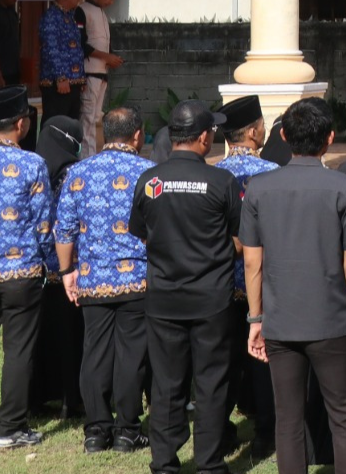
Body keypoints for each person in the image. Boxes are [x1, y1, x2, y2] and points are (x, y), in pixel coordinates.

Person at [241, 97, 346, 474]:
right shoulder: (343, 188)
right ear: (330, 138)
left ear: (283, 135)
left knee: (288, 419)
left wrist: (255, 317)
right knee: (345, 418)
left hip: (281, 319)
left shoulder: (259, 188)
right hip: (331, 319)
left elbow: (253, 259)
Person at [130, 100, 241, 474]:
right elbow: (239, 238)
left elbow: (143, 233)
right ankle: (209, 463)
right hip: (211, 299)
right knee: (210, 382)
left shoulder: (150, 181)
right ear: (205, 137)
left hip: (163, 298)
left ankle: (164, 462)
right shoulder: (222, 181)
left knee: (166, 383)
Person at [55, 106, 152, 453]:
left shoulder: (78, 173)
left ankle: (96, 430)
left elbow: (63, 228)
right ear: (138, 135)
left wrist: (67, 271)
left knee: (94, 353)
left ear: (103, 134)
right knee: (131, 354)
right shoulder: (150, 173)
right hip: (137, 279)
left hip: (93, 278)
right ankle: (127, 430)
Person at [0, 86, 54, 453]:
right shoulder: (33, 164)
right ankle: (10, 428)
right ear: (21, 124)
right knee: (18, 350)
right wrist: (53, 266)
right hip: (21, 273)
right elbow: (44, 224)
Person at [213, 96, 279, 456]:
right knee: (264, 361)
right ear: (254, 131)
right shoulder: (272, 173)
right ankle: (266, 434)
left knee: (223, 362)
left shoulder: (214, 173)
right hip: (264, 285)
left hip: (222, 285)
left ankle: (220, 432)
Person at [30, 116, 85, 422]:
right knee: (71, 339)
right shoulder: (74, 177)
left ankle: (34, 399)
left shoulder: (32, 172)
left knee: (36, 342)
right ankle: (70, 399)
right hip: (70, 274)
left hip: (34, 275)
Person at [79, 0, 126, 156]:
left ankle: (91, 154)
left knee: (95, 118)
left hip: (101, 73)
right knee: (87, 119)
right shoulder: (83, 10)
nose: (110, 2)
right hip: (89, 73)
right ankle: (86, 157)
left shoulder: (102, 13)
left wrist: (111, 58)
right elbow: (82, 45)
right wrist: (106, 56)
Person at [39, 0, 86, 123]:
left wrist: (80, 78)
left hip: (73, 83)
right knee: (56, 126)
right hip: (58, 84)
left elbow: (75, 49)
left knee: (71, 128)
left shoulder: (70, 16)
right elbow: (51, 50)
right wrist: (61, 77)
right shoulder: (51, 17)